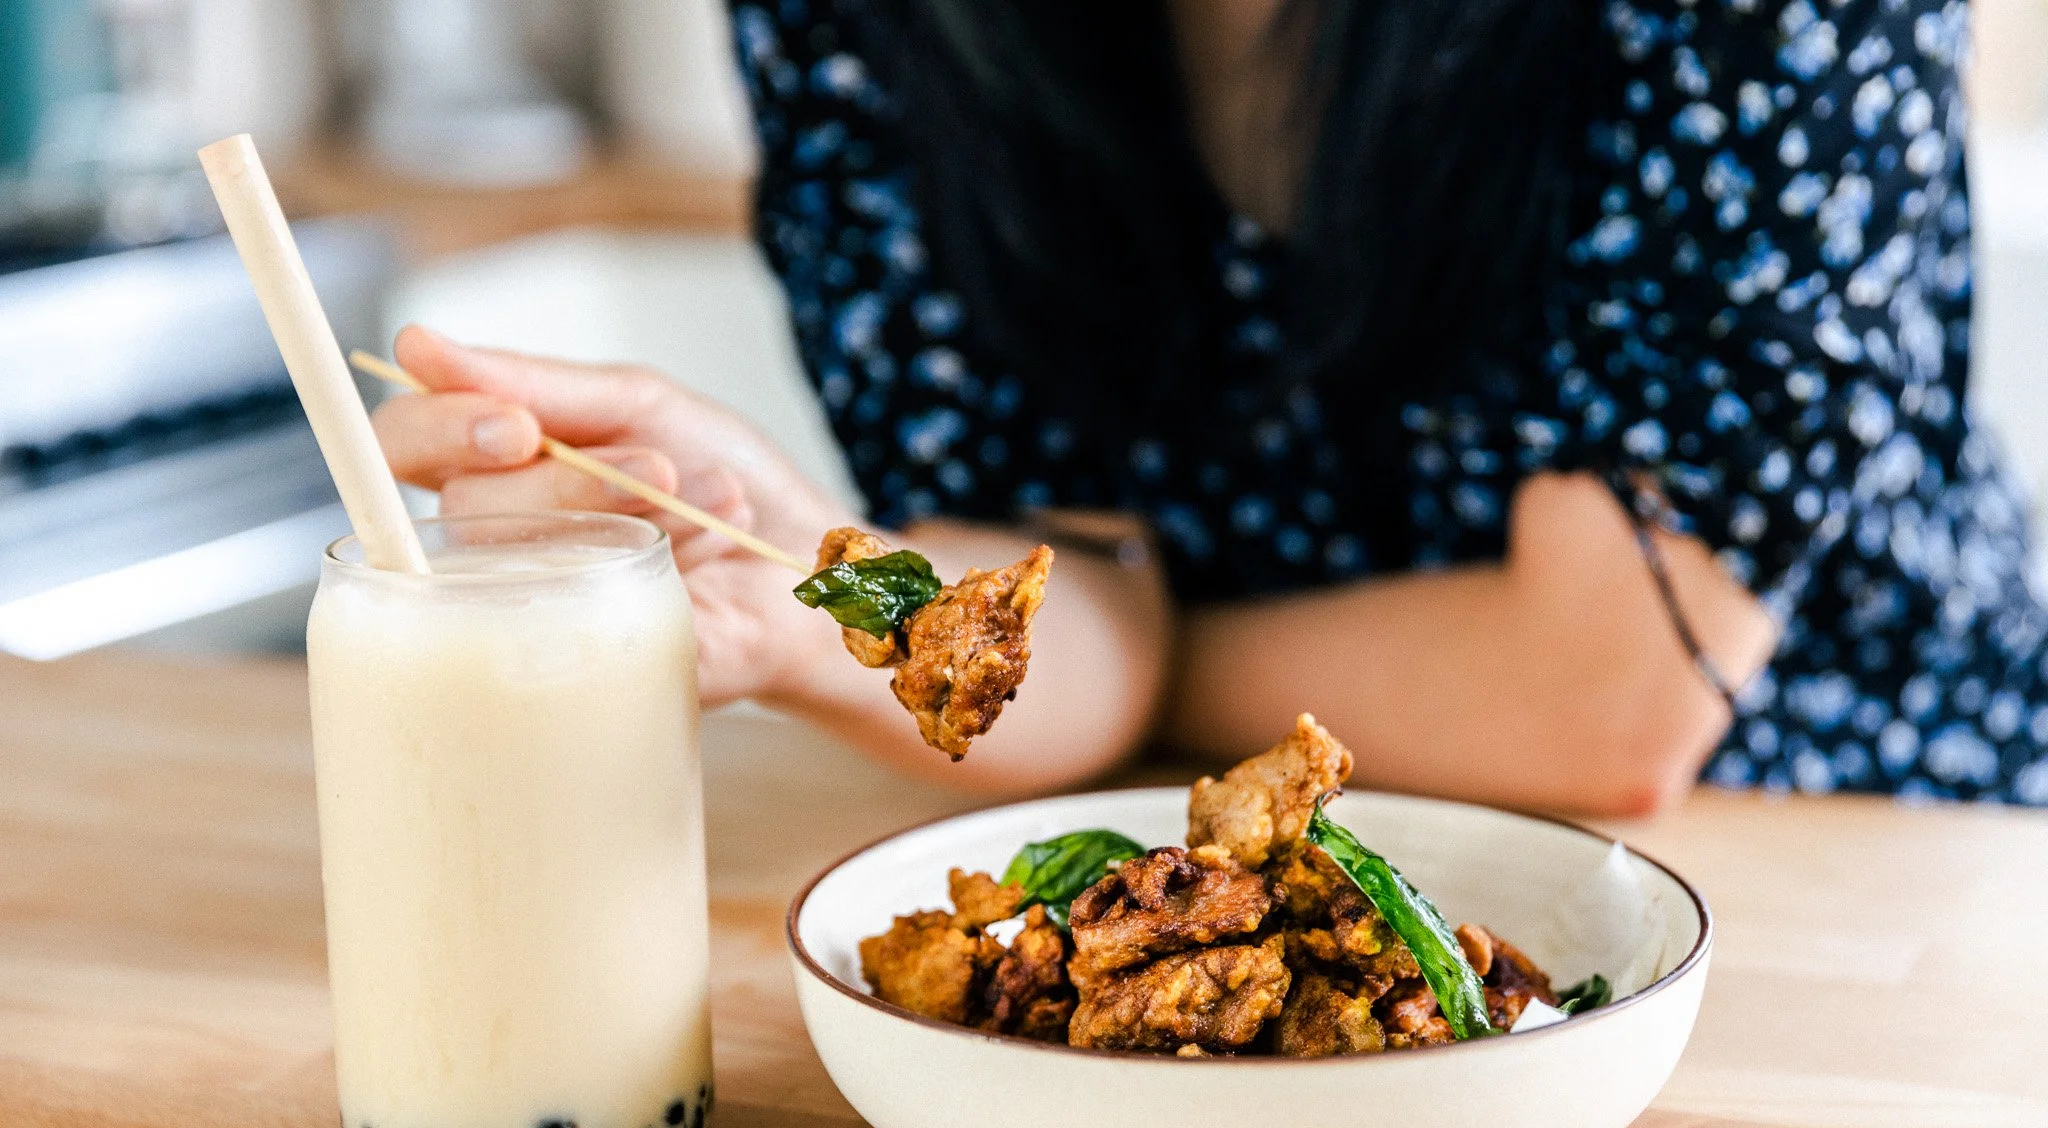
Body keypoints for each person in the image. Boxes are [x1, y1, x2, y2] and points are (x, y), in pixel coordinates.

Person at [372, 0, 2048, 814]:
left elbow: (1608, 705)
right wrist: (828, 593)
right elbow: (1069, 575)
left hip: (1857, 865)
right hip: (1251, 896)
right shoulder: (876, 25)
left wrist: (1116, 654)